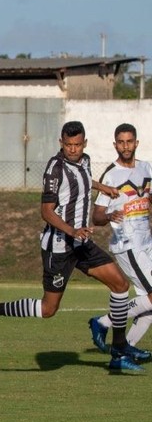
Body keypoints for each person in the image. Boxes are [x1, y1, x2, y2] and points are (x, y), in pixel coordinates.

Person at [0, 120, 148, 373]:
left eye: (77, 145)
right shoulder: (54, 169)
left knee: (120, 285)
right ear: (60, 143)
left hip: (81, 243)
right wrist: (72, 230)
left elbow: (83, 178)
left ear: (84, 143)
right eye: (68, 145)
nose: (73, 149)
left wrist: (103, 187)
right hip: (59, 246)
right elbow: (46, 212)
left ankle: (118, 352)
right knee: (48, 308)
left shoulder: (84, 160)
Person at [88, 123, 152, 354]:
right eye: (121, 142)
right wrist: (108, 214)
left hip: (147, 243)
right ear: (115, 144)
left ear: (137, 143)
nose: (126, 146)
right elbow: (96, 217)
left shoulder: (147, 168)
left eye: (129, 141)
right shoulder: (111, 174)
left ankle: (124, 350)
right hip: (128, 244)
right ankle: (103, 322)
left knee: (149, 304)